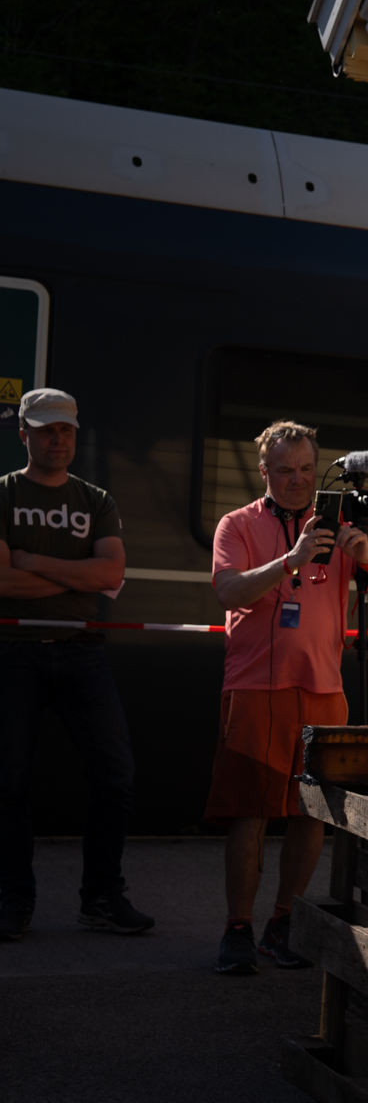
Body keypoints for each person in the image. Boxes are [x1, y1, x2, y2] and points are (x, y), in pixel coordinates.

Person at [208, 420, 368, 974]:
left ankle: (282, 921)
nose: (297, 481)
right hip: (255, 685)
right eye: (284, 471)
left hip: (324, 690)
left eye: (305, 469)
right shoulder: (238, 523)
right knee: (249, 813)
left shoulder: (340, 525)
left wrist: (367, 558)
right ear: (264, 472)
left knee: (310, 814)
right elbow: (228, 589)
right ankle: (237, 928)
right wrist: (291, 560)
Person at [0, 388, 154, 941]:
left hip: (82, 651)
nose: (56, 439)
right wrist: (75, 572)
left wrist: (32, 561)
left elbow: (108, 578)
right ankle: (12, 900)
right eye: (44, 430)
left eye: (64, 430)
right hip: (11, 653)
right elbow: (0, 582)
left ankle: (103, 897)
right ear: (24, 435)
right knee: (8, 783)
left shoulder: (95, 499)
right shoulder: (2, 494)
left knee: (116, 776)